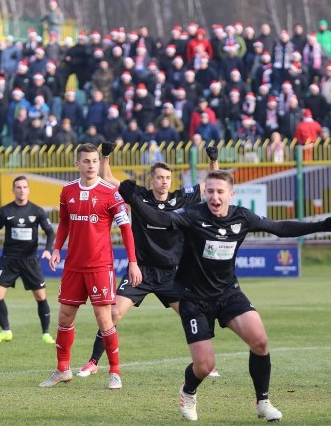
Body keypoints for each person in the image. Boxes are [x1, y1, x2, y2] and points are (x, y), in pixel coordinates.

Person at [119, 170, 331, 422]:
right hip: (194, 298)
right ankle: (188, 391)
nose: (214, 196)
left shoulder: (241, 217)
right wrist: (134, 201)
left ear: (230, 194)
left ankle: (263, 402)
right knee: (204, 366)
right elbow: (160, 218)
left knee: (260, 341)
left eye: (220, 192)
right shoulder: (192, 216)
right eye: (210, 191)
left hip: (227, 293)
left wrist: (322, 226)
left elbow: (279, 227)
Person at [74, 142, 221, 379]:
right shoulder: (139, 195)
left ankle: (207, 364)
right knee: (113, 314)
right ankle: (93, 361)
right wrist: (106, 156)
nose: (164, 181)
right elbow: (108, 177)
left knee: (192, 314)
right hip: (140, 271)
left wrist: (213, 160)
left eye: (167, 177)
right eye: (160, 177)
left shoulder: (181, 198)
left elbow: (213, 184)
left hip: (172, 273)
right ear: (151, 180)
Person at [39, 143, 141, 390]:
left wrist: (133, 262)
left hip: (100, 266)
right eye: (86, 161)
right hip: (73, 265)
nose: (91, 165)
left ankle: (115, 372)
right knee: (64, 316)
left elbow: (126, 229)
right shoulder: (67, 191)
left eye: (95, 161)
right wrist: (56, 249)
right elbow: (64, 223)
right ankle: (63, 369)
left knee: (104, 318)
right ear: (78, 164)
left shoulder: (110, 193)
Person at [0, 176, 56, 345]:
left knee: (41, 296)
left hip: (30, 260)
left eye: (24, 187)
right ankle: (5, 331)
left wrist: (48, 251)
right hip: (9, 260)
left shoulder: (37, 211)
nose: (21, 190)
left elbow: (50, 232)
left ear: (28, 189)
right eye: (18, 187)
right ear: (13, 190)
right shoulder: (5, 211)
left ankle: (46, 333)